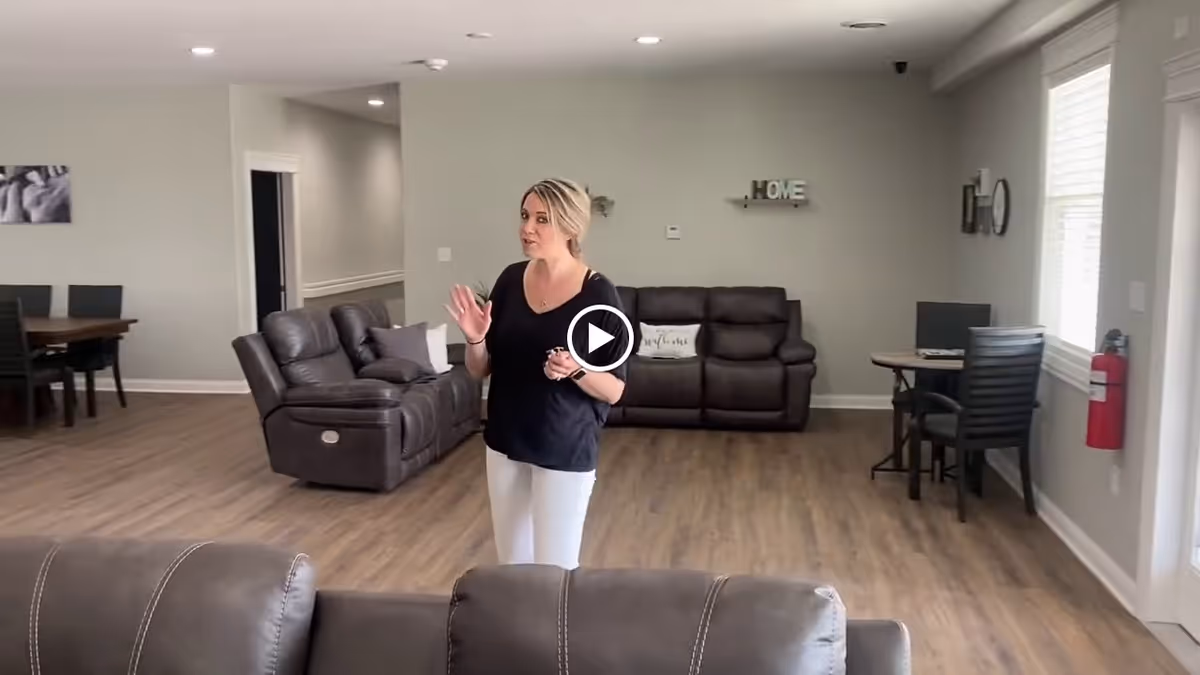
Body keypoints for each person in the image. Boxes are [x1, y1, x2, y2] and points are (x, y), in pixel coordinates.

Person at [445, 177, 628, 570]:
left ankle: (556, 634)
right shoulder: (510, 281)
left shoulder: (598, 295)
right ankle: (516, 634)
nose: (527, 228)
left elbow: (613, 390)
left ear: (570, 228)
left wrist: (577, 369)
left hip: (563, 446)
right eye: (525, 215)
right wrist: (476, 340)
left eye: (542, 219)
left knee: (554, 571)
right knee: (513, 565)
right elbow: (481, 369)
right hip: (505, 443)